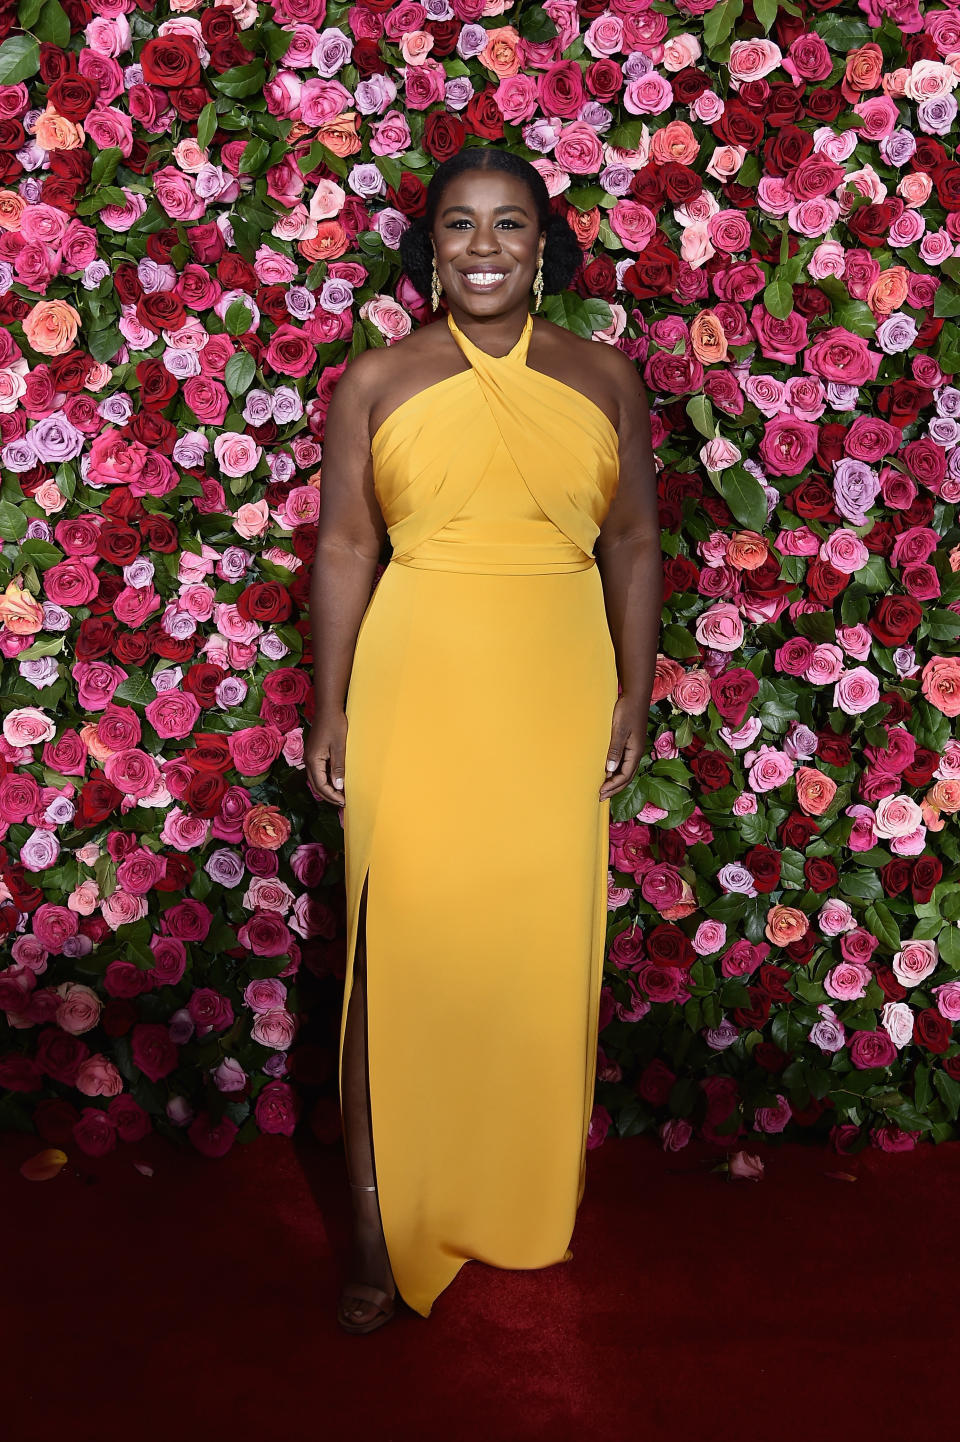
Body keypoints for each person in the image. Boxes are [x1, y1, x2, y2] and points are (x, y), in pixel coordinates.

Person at [306, 147, 662, 1334]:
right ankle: (372, 1228)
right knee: (394, 949)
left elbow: (635, 544)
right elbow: (349, 547)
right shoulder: (374, 380)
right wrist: (330, 703)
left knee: (529, 951)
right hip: (418, 684)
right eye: (459, 226)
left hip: (555, 683)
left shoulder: (607, 376)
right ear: (430, 246)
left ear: (547, 245)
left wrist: (634, 689)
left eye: (510, 226)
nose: (485, 248)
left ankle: (502, 1197)